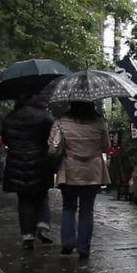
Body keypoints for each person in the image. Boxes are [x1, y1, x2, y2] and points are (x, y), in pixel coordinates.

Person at [50, 101, 110, 258]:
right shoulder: (99, 123)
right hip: (93, 171)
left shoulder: (61, 123)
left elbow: (52, 149)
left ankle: (67, 244)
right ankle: (84, 248)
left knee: (68, 207)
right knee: (87, 210)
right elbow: (105, 146)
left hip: (70, 169)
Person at [2, 93, 55, 249]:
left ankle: (28, 237)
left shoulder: (10, 117)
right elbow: (52, 138)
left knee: (24, 200)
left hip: (16, 161)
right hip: (40, 161)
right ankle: (43, 225)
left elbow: (5, 139)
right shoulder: (45, 116)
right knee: (42, 196)